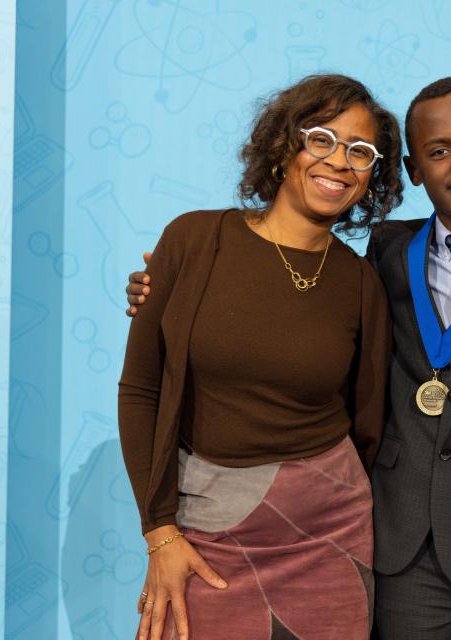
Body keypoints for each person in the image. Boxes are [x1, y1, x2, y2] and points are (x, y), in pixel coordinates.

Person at [128, 76, 451, 639]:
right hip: (405, 549)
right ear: (413, 170)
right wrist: (161, 293)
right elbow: (274, 311)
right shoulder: (385, 253)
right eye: (437, 151)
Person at [117, 74, 401, 640]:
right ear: (284, 145)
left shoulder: (362, 283)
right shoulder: (195, 240)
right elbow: (141, 390)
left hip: (330, 534)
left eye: (360, 151)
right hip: (202, 528)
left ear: (373, 176)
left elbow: (369, 422)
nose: (340, 161)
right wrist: (160, 531)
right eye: (322, 139)